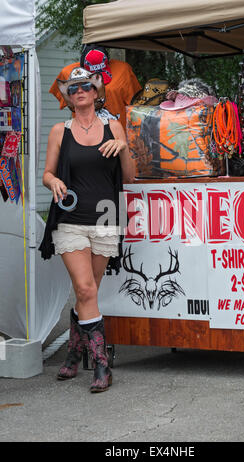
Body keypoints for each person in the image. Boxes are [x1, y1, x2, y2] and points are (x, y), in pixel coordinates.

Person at [40, 66, 135, 393]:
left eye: (85, 86)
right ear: (68, 95)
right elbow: (47, 174)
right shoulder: (59, 131)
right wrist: (53, 181)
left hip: (106, 217)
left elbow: (131, 176)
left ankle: (72, 355)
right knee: (85, 289)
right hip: (70, 218)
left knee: (88, 292)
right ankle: (101, 365)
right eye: (73, 87)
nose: (79, 91)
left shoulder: (114, 126)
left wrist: (123, 147)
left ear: (96, 92)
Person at [49, 44, 141, 130]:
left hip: (116, 135)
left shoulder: (123, 70)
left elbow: (136, 107)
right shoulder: (69, 74)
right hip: (83, 133)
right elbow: (68, 102)